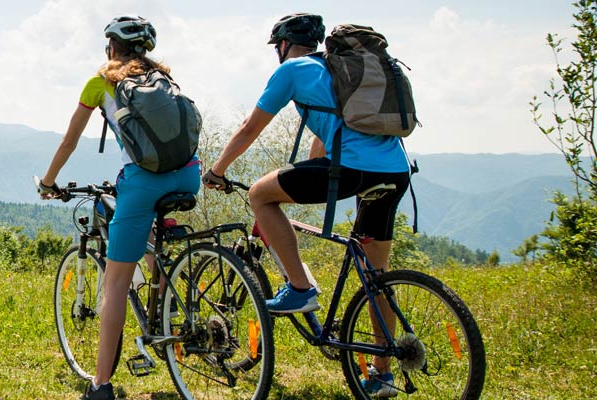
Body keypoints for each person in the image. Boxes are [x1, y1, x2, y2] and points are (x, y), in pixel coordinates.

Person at [201, 13, 409, 398]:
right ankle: (382, 371)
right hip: (396, 171)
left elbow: (250, 127)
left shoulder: (293, 70)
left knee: (260, 194)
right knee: (377, 273)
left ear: (282, 44)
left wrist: (217, 170)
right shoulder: (338, 70)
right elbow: (326, 136)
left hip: (352, 169)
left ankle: (300, 288)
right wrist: (310, 168)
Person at [37, 15, 203, 400]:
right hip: (188, 176)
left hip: (144, 181)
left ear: (111, 46)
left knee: (114, 285)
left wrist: (48, 183)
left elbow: (68, 141)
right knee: (146, 222)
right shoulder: (165, 78)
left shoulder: (100, 83)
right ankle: (165, 296)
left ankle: (100, 385)